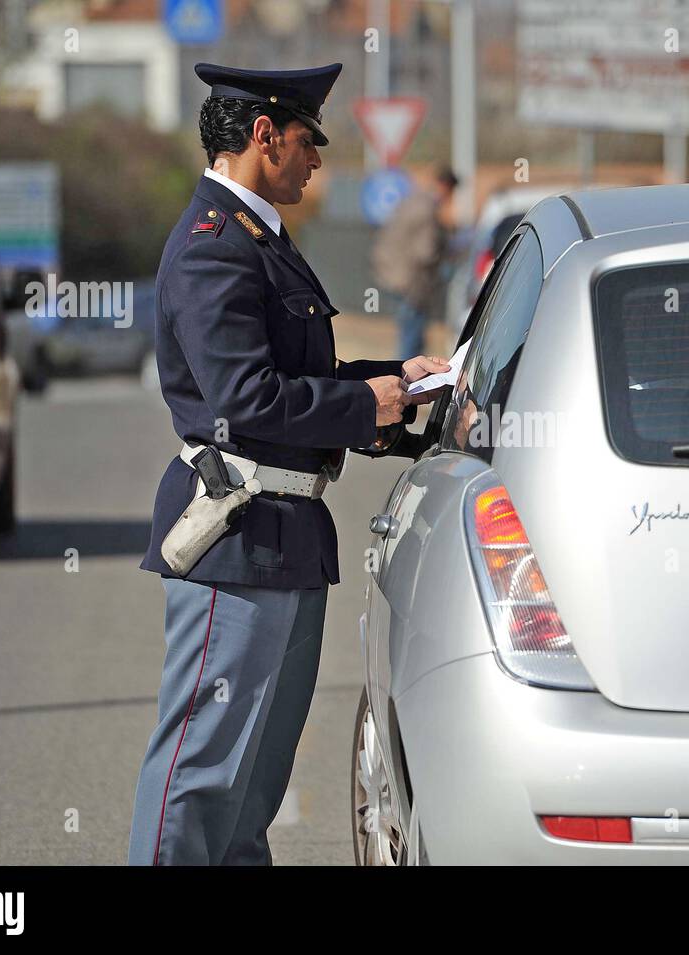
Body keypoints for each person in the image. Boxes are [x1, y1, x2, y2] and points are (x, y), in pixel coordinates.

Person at [127, 61, 449, 866]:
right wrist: (361, 404)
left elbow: (289, 377)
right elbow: (247, 399)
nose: (316, 160)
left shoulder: (258, 237)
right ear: (264, 136)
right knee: (201, 771)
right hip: (235, 534)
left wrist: (389, 388)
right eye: (309, 141)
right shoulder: (214, 248)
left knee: (251, 785)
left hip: (288, 536)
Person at [372, 165, 459, 360]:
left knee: (408, 334)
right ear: (446, 186)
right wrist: (446, 250)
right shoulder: (428, 210)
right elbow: (426, 252)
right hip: (411, 283)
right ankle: (409, 385)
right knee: (411, 341)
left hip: (392, 275)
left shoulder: (412, 200)